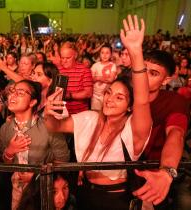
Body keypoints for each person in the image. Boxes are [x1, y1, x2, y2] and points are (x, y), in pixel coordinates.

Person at [44, 15, 152, 210]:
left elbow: (143, 100)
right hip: (84, 193)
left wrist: (136, 53)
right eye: (109, 93)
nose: (110, 99)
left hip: (114, 199)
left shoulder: (133, 129)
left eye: (120, 97)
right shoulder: (91, 118)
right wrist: (49, 113)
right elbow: (55, 126)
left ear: (130, 106)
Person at [0, 80, 69, 210]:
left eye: (20, 93)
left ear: (32, 102)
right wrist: (9, 151)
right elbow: (5, 165)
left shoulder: (48, 126)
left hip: (45, 188)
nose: (12, 96)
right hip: (17, 188)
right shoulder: (5, 128)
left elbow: (63, 160)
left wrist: (38, 175)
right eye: (12, 91)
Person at [132, 50, 190, 208]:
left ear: (166, 80)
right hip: (117, 174)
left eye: (153, 73)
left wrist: (166, 172)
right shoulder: (123, 93)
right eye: (142, 69)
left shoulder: (173, 101)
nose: (144, 76)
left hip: (153, 177)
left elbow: (175, 133)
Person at [58, 41, 93, 115]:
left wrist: (69, 95)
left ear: (75, 55)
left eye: (68, 58)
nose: (64, 61)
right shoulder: (57, 69)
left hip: (79, 114)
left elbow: (88, 93)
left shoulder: (84, 70)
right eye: (62, 58)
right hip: (61, 113)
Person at [90, 43, 117, 111]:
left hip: (106, 95)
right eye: (102, 53)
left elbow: (111, 79)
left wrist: (97, 78)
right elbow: (90, 79)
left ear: (111, 54)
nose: (104, 55)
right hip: (95, 94)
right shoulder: (95, 65)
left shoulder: (112, 65)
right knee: (95, 113)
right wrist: (99, 78)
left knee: (105, 112)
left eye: (107, 53)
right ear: (99, 54)